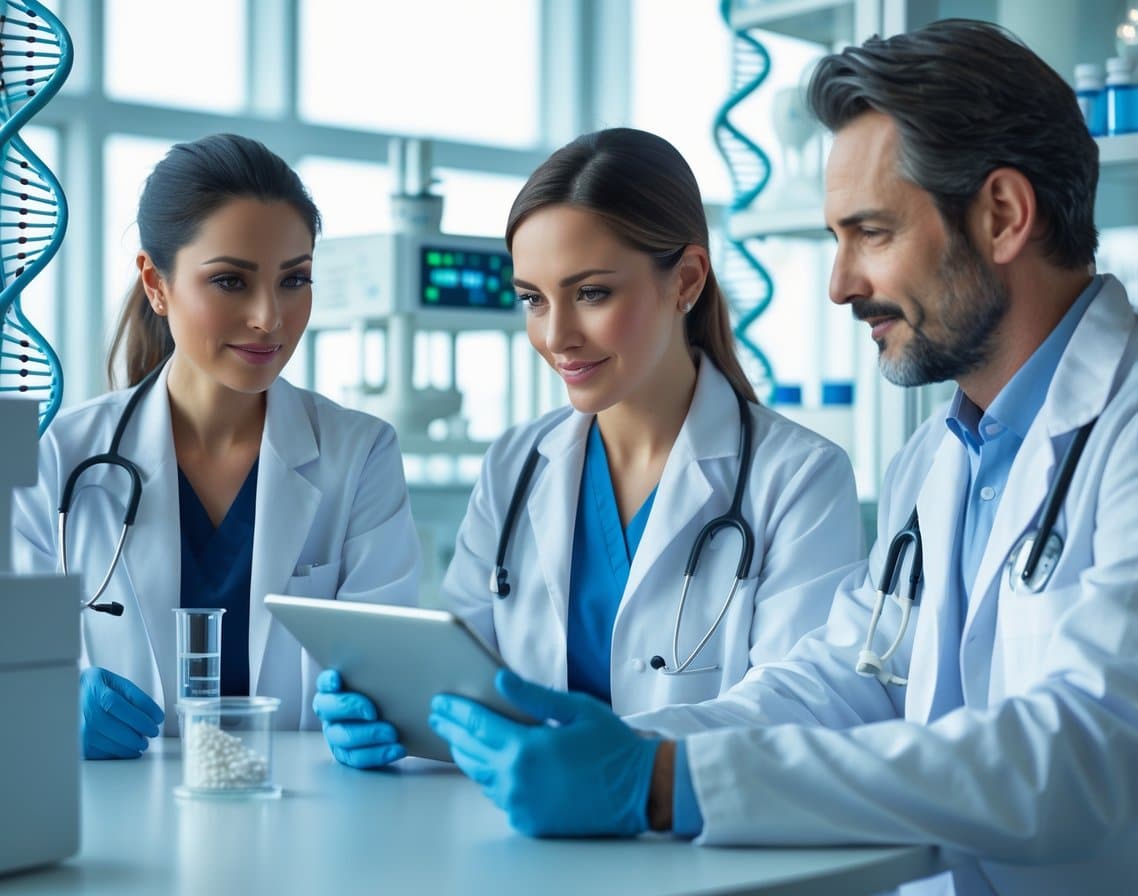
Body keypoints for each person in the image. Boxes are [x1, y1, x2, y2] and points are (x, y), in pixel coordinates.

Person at [426, 19, 1138, 895]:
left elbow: (1091, 753)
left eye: (870, 233)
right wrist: (639, 746)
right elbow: (842, 683)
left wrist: (662, 788)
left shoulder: (1124, 433)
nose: (839, 284)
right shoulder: (940, 458)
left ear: (1001, 216)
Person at [315, 127, 865, 768]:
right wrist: (396, 712)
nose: (556, 335)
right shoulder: (517, 464)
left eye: (592, 293)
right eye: (532, 299)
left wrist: (618, 761)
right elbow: (466, 679)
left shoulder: (798, 477)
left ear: (686, 279)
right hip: (528, 837)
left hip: (697, 844)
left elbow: (798, 709)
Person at [13, 134, 420, 759]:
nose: (270, 318)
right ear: (156, 283)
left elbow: (389, 677)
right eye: (231, 281)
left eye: (294, 280)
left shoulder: (359, 454)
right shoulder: (59, 456)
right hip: (116, 824)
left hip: (308, 823)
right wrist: (43, 705)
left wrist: (384, 715)